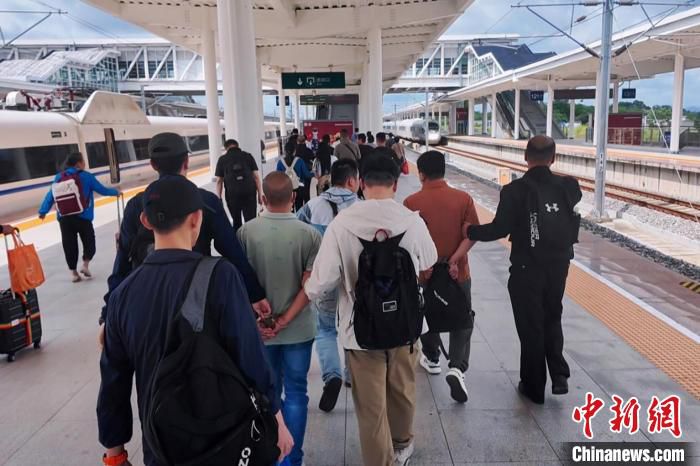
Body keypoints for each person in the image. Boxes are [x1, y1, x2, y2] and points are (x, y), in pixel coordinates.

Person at [97, 176, 293, 466]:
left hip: (161, 447)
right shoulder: (221, 276)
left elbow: (113, 383)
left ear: (146, 221)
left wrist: (115, 454)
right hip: (225, 440)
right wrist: (276, 418)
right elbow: (251, 356)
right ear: (196, 219)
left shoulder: (121, 295)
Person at [304, 154, 438, 466]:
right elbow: (429, 260)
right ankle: (402, 445)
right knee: (402, 389)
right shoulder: (412, 221)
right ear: (395, 184)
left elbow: (322, 282)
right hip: (405, 324)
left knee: (370, 406)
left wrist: (307, 285)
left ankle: (380, 460)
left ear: (361, 183)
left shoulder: (342, 224)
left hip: (360, 330)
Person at [101, 132, 270, 332]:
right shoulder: (206, 202)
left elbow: (122, 262)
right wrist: (255, 294)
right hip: (196, 299)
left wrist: (108, 314)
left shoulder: (138, 205)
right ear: (186, 162)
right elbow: (232, 251)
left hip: (148, 301)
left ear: (153, 165)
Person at [465, 135, 582, 405]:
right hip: (559, 265)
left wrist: (470, 230)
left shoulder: (514, 190)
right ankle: (559, 374)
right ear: (554, 158)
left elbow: (499, 229)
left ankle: (534, 386)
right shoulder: (569, 186)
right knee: (552, 315)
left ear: (526, 158)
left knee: (531, 325)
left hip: (526, 267)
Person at [237, 172, 322, 466]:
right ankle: (292, 460)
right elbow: (310, 287)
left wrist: (258, 322)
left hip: (259, 334)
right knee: (296, 392)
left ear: (262, 198)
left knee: (265, 396)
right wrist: (285, 320)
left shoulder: (245, 233)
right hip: (298, 330)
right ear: (294, 198)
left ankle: (271, 457)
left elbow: (239, 285)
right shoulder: (310, 234)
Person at [404, 150, 479, 403]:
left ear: (421, 174)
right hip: (458, 274)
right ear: (444, 171)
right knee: (462, 318)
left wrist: (423, 266)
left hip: (425, 274)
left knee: (425, 314)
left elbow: (408, 242)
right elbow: (472, 235)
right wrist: (454, 260)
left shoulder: (411, 203)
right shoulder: (463, 199)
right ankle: (457, 367)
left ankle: (432, 356)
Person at [296, 159, 359, 412]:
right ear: (352, 180)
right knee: (353, 325)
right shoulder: (361, 206)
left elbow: (299, 234)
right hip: (355, 277)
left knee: (324, 329)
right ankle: (351, 375)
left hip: (324, 274)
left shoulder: (312, 206)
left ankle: (332, 375)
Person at [38, 152, 119, 282]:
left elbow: (50, 196)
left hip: (64, 218)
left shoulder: (59, 177)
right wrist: (116, 192)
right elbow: (102, 190)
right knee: (89, 242)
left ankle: (74, 273)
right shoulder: (87, 176)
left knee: (69, 245)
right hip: (83, 216)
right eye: (83, 161)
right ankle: (85, 265)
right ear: (78, 163)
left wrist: (43, 211)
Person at [215, 139, 262, 230]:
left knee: (236, 222)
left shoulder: (222, 159)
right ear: (237, 146)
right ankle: (250, 238)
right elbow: (256, 177)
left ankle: (238, 237)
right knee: (251, 222)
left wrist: (219, 198)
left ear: (226, 148)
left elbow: (219, 181)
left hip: (232, 195)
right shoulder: (248, 156)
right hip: (249, 193)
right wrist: (260, 194)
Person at [276, 146, 314, 212]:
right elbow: (306, 174)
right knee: (299, 208)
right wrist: (313, 174)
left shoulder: (280, 162)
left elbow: (278, 177)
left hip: (286, 190)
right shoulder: (299, 161)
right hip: (299, 188)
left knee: (289, 209)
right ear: (294, 151)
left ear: (285, 151)